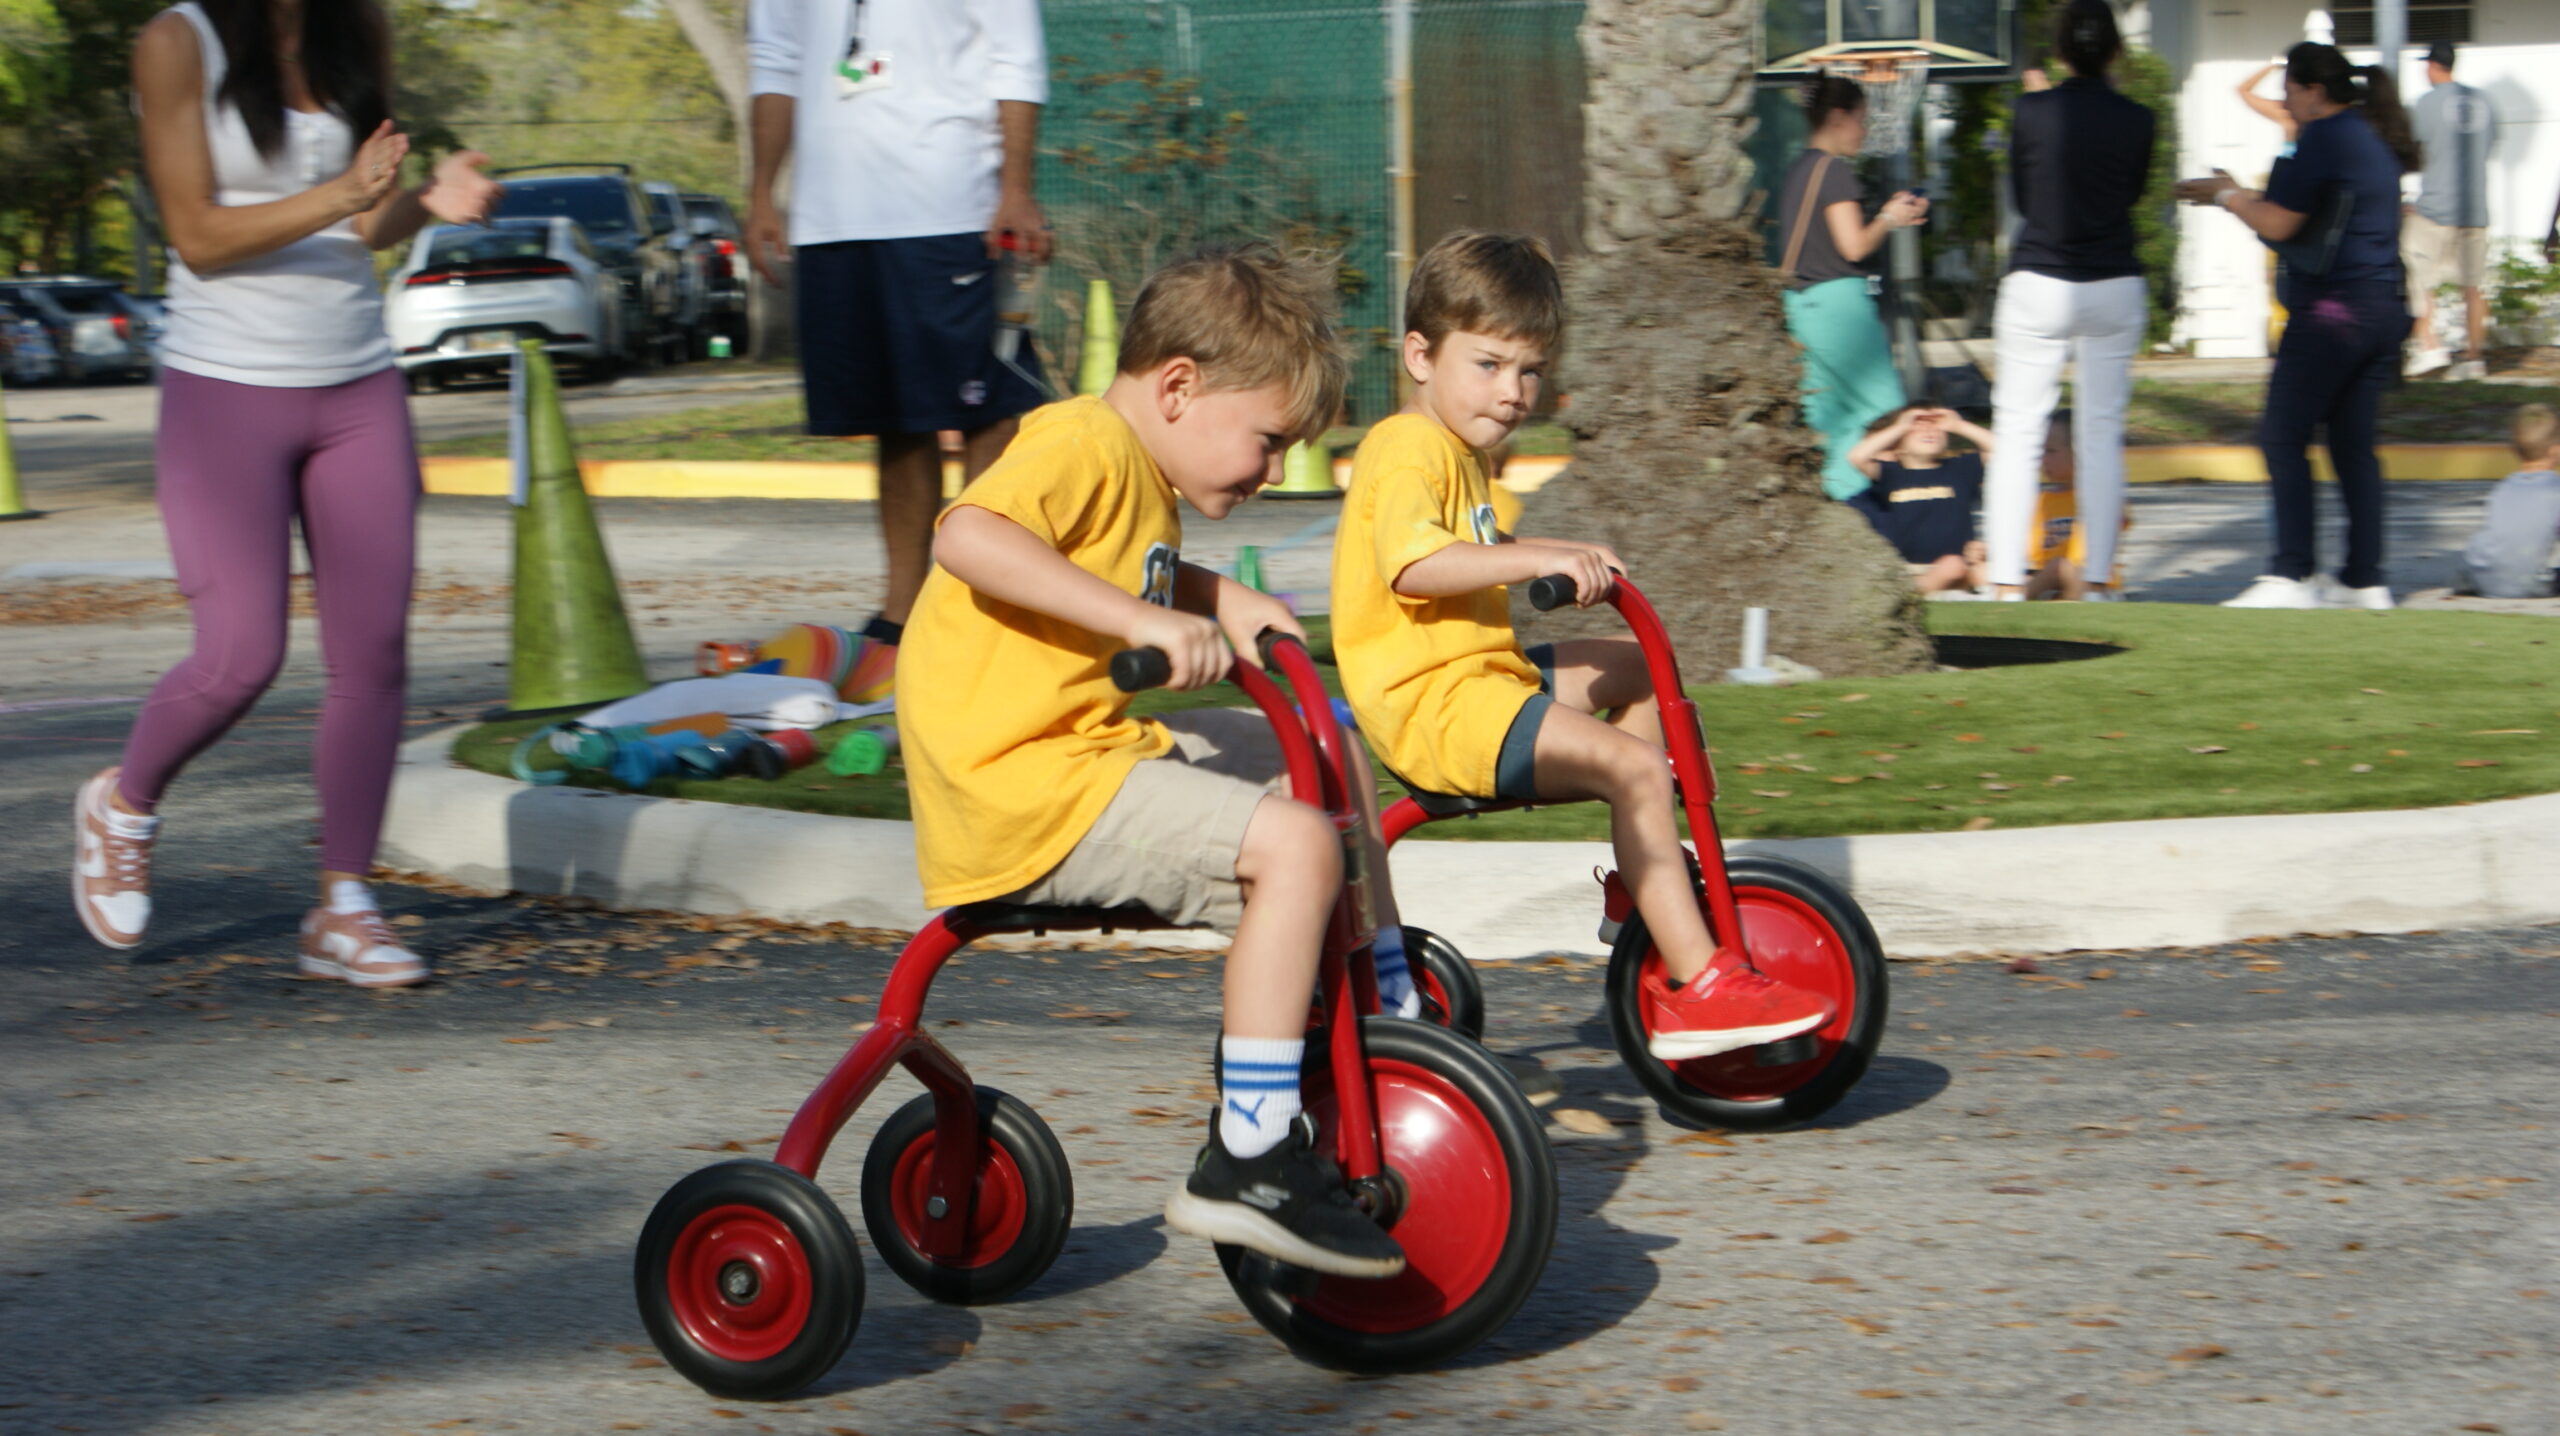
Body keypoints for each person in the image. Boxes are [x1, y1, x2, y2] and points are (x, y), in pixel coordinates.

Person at [895, 245, 1411, 1278]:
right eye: (1268, 441)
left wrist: (1224, 600)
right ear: (1179, 387)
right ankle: (1250, 1154)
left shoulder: (1138, 471)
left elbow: (1136, 566)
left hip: (1078, 756)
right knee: (1298, 848)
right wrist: (1142, 620)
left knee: (1327, 749)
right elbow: (969, 536)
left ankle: (1387, 988)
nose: (1275, 472)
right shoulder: (1079, 440)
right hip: (1021, 785)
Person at [1330, 230, 1831, 1061]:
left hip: (1479, 684)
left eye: (1530, 371)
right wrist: (1542, 558)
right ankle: (1698, 989)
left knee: (1639, 668)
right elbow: (1415, 566)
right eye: (1489, 364)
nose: (1513, 391)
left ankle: (1640, 884)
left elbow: (1468, 555)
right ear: (1420, 355)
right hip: (1438, 709)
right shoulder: (1408, 447)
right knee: (1635, 768)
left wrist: (1553, 551)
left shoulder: (1455, 449)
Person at [74, 0, 498, 982]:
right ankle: (124, 803)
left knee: (373, 652)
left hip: (356, 385)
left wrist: (424, 199)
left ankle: (343, 907)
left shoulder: (359, 29)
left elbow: (365, 223)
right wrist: (343, 192)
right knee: (238, 655)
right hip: (225, 386)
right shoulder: (178, 42)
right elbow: (198, 236)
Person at [743, 0, 1052, 694]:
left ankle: (987, 597)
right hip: (832, 220)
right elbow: (776, 62)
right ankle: (904, 613)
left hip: (954, 209)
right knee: (896, 422)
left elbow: (1017, 58)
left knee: (989, 412)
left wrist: (1016, 189)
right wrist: (762, 192)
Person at [2177, 43, 2421, 611]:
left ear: (2314, 90)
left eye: (2288, 89)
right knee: (2352, 448)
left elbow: (2281, 224)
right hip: (2380, 307)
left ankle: (2291, 574)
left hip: (2333, 312)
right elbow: (2304, 212)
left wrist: (2225, 195)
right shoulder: (2366, 135)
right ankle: (2363, 581)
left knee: (2282, 436)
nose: (2284, 100)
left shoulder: (2323, 137)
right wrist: (2238, 195)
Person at [1983, 0, 2152, 604]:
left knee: (2017, 433)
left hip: (2040, 279)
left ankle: (2007, 580)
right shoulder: (2139, 118)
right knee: (2101, 434)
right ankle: (2098, 579)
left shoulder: (2030, 111)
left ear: (2058, 53)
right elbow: (2130, 194)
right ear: (2115, 51)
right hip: (2113, 281)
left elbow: (2025, 199)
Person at [1774, 74, 1931, 500]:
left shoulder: (1798, 170)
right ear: (1838, 117)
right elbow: (1854, 245)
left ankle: (1840, 501)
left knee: (1830, 418)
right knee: (1885, 416)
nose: (1865, 132)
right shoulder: (1835, 170)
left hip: (1802, 307)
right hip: (1841, 309)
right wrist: (1891, 217)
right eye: (1862, 120)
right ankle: (1884, 511)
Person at [2404, 40, 2498, 382]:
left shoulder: (2426, 103)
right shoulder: (2484, 101)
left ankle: (2429, 345)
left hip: (2436, 207)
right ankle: (2474, 359)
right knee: (2472, 285)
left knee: (2415, 271)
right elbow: (2489, 146)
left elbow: (2412, 151)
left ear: (2431, 66)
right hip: (2475, 209)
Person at [1844, 405, 1994, 596]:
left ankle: (1983, 602)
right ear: (1898, 446)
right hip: (1910, 570)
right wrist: (1900, 426)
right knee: (1951, 566)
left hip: (1961, 570)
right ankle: (1909, 596)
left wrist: (1959, 426)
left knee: (1980, 571)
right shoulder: (1892, 474)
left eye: (1935, 427)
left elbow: (2001, 450)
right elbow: (1857, 457)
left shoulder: (1960, 469)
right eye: (1918, 427)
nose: (1929, 431)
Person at [2021, 410, 2133, 600]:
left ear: (2080, 452)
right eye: (2040, 451)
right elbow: (2034, 557)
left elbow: (2122, 517)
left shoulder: (2101, 496)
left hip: (2096, 586)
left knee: (2060, 567)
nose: (2042, 459)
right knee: (1989, 571)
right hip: (2051, 581)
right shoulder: (2042, 501)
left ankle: (2021, 603)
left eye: (2051, 451)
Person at [2454, 404, 2560, 599]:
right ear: (2555, 451)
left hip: (2482, 577)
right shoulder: (2555, 489)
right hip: (2528, 583)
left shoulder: (2503, 487)